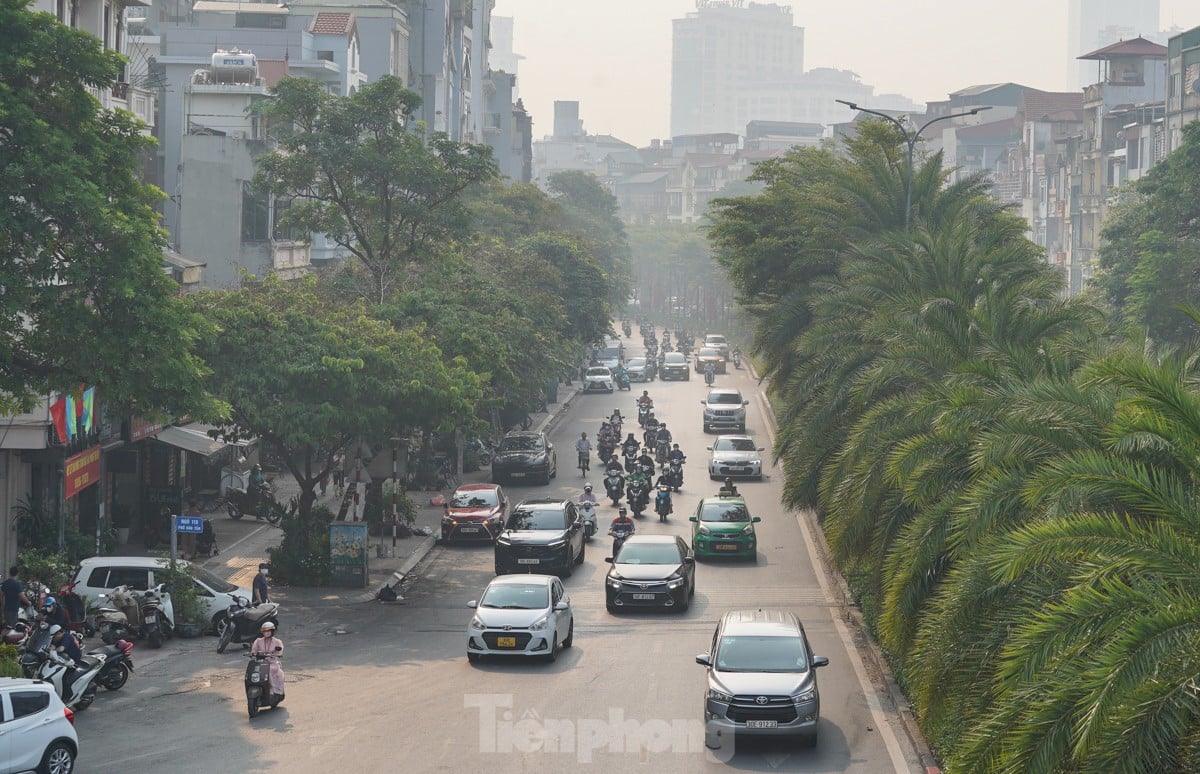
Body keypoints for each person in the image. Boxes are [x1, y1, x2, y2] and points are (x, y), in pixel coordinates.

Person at [250, 621, 285, 698]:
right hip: (260, 663)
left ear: (272, 631)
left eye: (268, 631)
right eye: (265, 631)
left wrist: (277, 654)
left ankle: (273, 690)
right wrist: (252, 653)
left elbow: (280, 651)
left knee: (268, 671)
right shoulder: (258, 641)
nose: (266, 633)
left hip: (273, 663)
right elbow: (254, 650)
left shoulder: (277, 642)